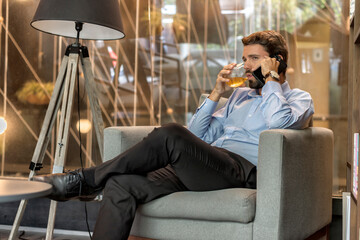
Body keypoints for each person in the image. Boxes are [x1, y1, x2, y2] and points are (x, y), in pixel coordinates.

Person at [32, 30, 314, 240]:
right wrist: (217, 94)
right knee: (121, 183)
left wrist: (272, 82)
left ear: (276, 61)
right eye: (244, 59)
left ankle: (85, 180)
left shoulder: (298, 99)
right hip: (208, 164)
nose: (246, 65)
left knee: (170, 132)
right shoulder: (239, 96)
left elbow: (280, 123)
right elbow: (196, 134)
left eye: (254, 58)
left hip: (241, 170)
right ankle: (93, 182)